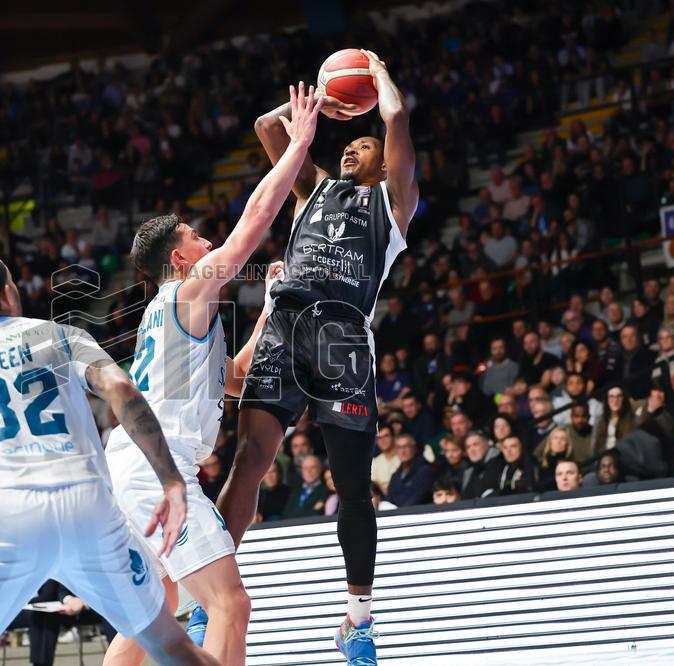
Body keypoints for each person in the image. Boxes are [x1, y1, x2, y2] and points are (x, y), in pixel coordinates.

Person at [0, 251, 219, 666]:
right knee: (173, 647)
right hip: (90, 509)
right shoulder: (59, 335)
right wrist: (170, 480)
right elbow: (121, 389)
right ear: (8, 293)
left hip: (5, 516)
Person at [103, 81, 323, 666]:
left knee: (159, 606)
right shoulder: (188, 291)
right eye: (197, 239)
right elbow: (255, 220)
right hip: (157, 469)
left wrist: (270, 309)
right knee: (230, 604)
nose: (208, 243)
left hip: (133, 466)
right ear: (180, 259)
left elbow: (232, 378)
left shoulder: (172, 315)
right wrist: (298, 145)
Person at [218, 51, 419, 664]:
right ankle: (208, 591)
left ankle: (358, 620)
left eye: (363, 144)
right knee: (249, 460)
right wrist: (320, 102)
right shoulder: (314, 188)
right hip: (284, 325)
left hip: (343, 339)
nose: (351, 148)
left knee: (352, 486)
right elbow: (266, 127)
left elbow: (397, 119)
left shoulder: (393, 205)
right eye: (348, 143)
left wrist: (376, 74)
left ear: (383, 162)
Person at [386, 435, 435, 507]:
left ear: (415, 448)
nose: (402, 451)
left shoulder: (426, 471)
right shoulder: (395, 476)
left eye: (406, 446)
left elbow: (419, 497)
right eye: (399, 447)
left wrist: (399, 511)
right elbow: (389, 500)